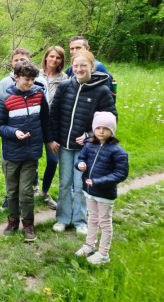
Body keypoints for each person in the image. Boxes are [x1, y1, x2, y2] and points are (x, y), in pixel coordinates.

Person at [49, 50, 117, 235]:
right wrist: (53, 139)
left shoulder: (101, 91)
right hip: (64, 145)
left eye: (83, 65)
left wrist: (89, 135)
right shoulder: (64, 87)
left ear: (91, 67)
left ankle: (80, 221)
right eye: (76, 65)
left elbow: (110, 118)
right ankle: (62, 219)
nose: (79, 69)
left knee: (80, 185)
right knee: (64, 183)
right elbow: (53, 115)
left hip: (86, 149)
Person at [0, 61, 51, 242]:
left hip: (31, 152)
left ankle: (28, 225)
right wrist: (14, 132)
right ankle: (12, 221)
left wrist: (49, 141)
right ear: (16, 77)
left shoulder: (39, 95)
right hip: (12, 153)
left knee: (26, 191)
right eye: (26, 79)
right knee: (12, 191)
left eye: (33, 79)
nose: (30, 83)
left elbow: (45, 121)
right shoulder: (6, 99)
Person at [74, 112, 128, 264]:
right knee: (92, 219)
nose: (101, 131)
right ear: (94, 129)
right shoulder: (88, 144)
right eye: (98, 127)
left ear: (112, 130)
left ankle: (103, 254)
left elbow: (121, 174)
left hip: (105, 193)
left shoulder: (118, 151)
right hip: (89, 191)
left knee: (104, 223)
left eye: (106, 128)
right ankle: (89, 245)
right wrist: (80, 165)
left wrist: (99, 181)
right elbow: (81, 159)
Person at [35, 46, 69, 209]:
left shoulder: (65, 78)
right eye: (52, 56)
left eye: (58, 58)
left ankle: (44, 191)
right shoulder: (36, 74)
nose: (54, 60)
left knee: (53, 160)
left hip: (54, 125)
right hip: (35, 123)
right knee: (31, 158)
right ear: (46, 57)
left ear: (62, 61)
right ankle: (34, 187)